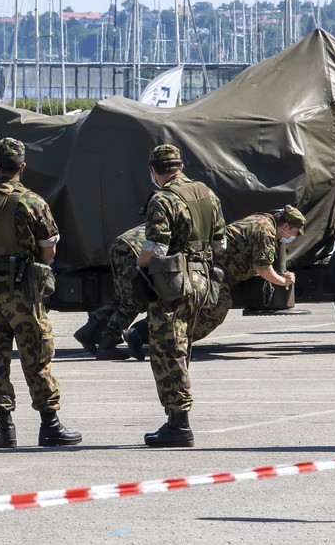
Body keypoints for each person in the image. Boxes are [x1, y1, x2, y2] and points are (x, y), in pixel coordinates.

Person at [0, 137, 81, 449]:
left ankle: (5, 429)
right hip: (24, 293)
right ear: (22, 167)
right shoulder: (33, 202)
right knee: (36, 358)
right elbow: (49, 249)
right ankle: (50, 427)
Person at [122, 205, 307, 359]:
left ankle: (144, 335)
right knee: (213, 311)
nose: (292, 237)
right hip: (213, 270)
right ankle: (157, 339)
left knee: (194, 309)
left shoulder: (263, 220)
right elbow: (263, 269)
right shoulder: (266, 231)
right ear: (286, 225)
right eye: (294, 232)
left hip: (212, 268)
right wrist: (283, 281)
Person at [137, 143, 225, 448]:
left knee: (167, 353)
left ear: (153, 171)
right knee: (182, 348)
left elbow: (156, 249)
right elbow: (220, 244)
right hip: (203, 282)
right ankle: (177, 420)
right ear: (180, 166)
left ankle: (179, 425)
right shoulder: (207, 194)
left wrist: (139, 266)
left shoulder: (163, 200)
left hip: (175, 284)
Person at [73, 224, 147, 360]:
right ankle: (107, 345)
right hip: (134, 249)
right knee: (132, 303)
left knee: (121, 300)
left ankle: (89, 330)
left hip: (123, 244)